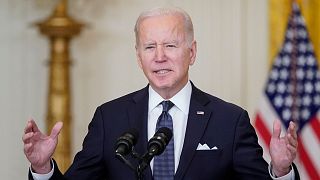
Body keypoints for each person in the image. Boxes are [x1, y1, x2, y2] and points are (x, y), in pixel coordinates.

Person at [23, 7, 299, 180]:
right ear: (138, 57)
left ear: (191, 53)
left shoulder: (230, 120)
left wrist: (281, 171)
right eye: (149, 47)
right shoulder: (110, 118)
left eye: (170, 45)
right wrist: (43, 168)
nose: (159, 57)